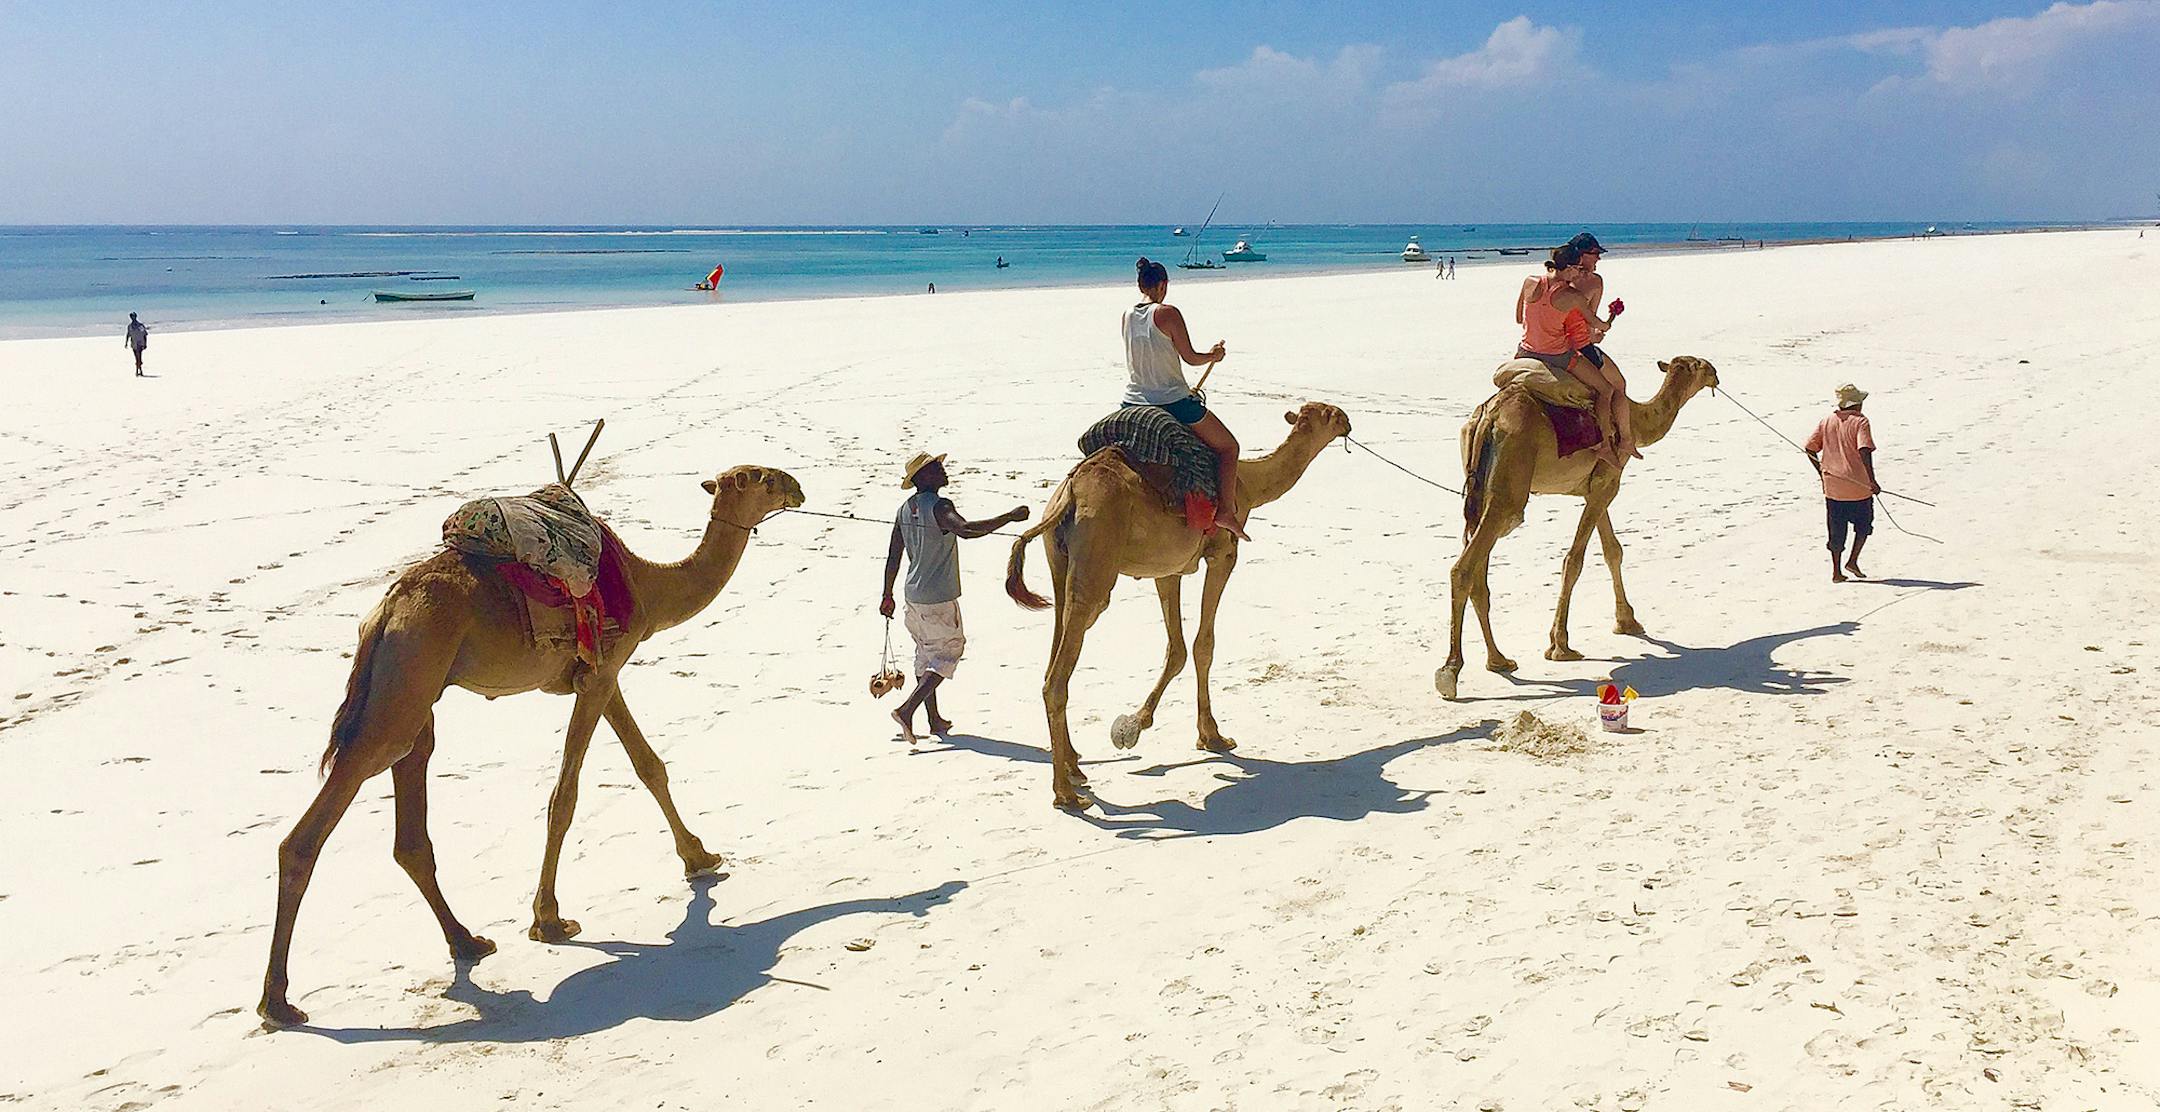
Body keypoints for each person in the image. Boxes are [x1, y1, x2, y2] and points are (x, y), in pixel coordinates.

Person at [879, 452, 1028, 744]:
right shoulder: (940, 506)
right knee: (948, 652)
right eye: (937, 468)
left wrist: (887, 594)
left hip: (913, 594)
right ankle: (907, 710)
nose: (943, 470)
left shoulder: (904, 508)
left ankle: (934, 719)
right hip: (938, 596)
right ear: (923, 477)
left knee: (926, 654)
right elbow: (966, 530)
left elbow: (894, 555)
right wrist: (1009, 517)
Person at [1124, 257, 1248, 537]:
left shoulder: (1126, 314)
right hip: (1172, 402)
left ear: (1139, 284)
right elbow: (1191, 358)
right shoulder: (1168, 313)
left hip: (1131, 401)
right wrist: (1213, 356)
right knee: (1229, 448)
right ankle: (1226, 511)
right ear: (1163, 286)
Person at [1516, 244, 1635, 461]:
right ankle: (1604, 445)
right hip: (1556, 355)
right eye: (1578, 270)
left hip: (1525, 352)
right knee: (1606, 389)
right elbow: (1598, 324)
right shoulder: (1571, 296)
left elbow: (1519, 318)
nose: (1580, 274)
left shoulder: (1529, 281)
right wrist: (1608, 322)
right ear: (1569, 268)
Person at [1804, 384, 1881, 582]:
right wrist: (1872, 481)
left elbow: (1809, 448)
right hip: (1859, 487)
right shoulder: (1861, 421)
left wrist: (1822, 472)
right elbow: (1864, 450)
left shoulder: (1827, 420)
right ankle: (1853, 560)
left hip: (1833, 488)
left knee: (1836, 530)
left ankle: (1837, 572)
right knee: (1863, 526)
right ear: (1857, 404)